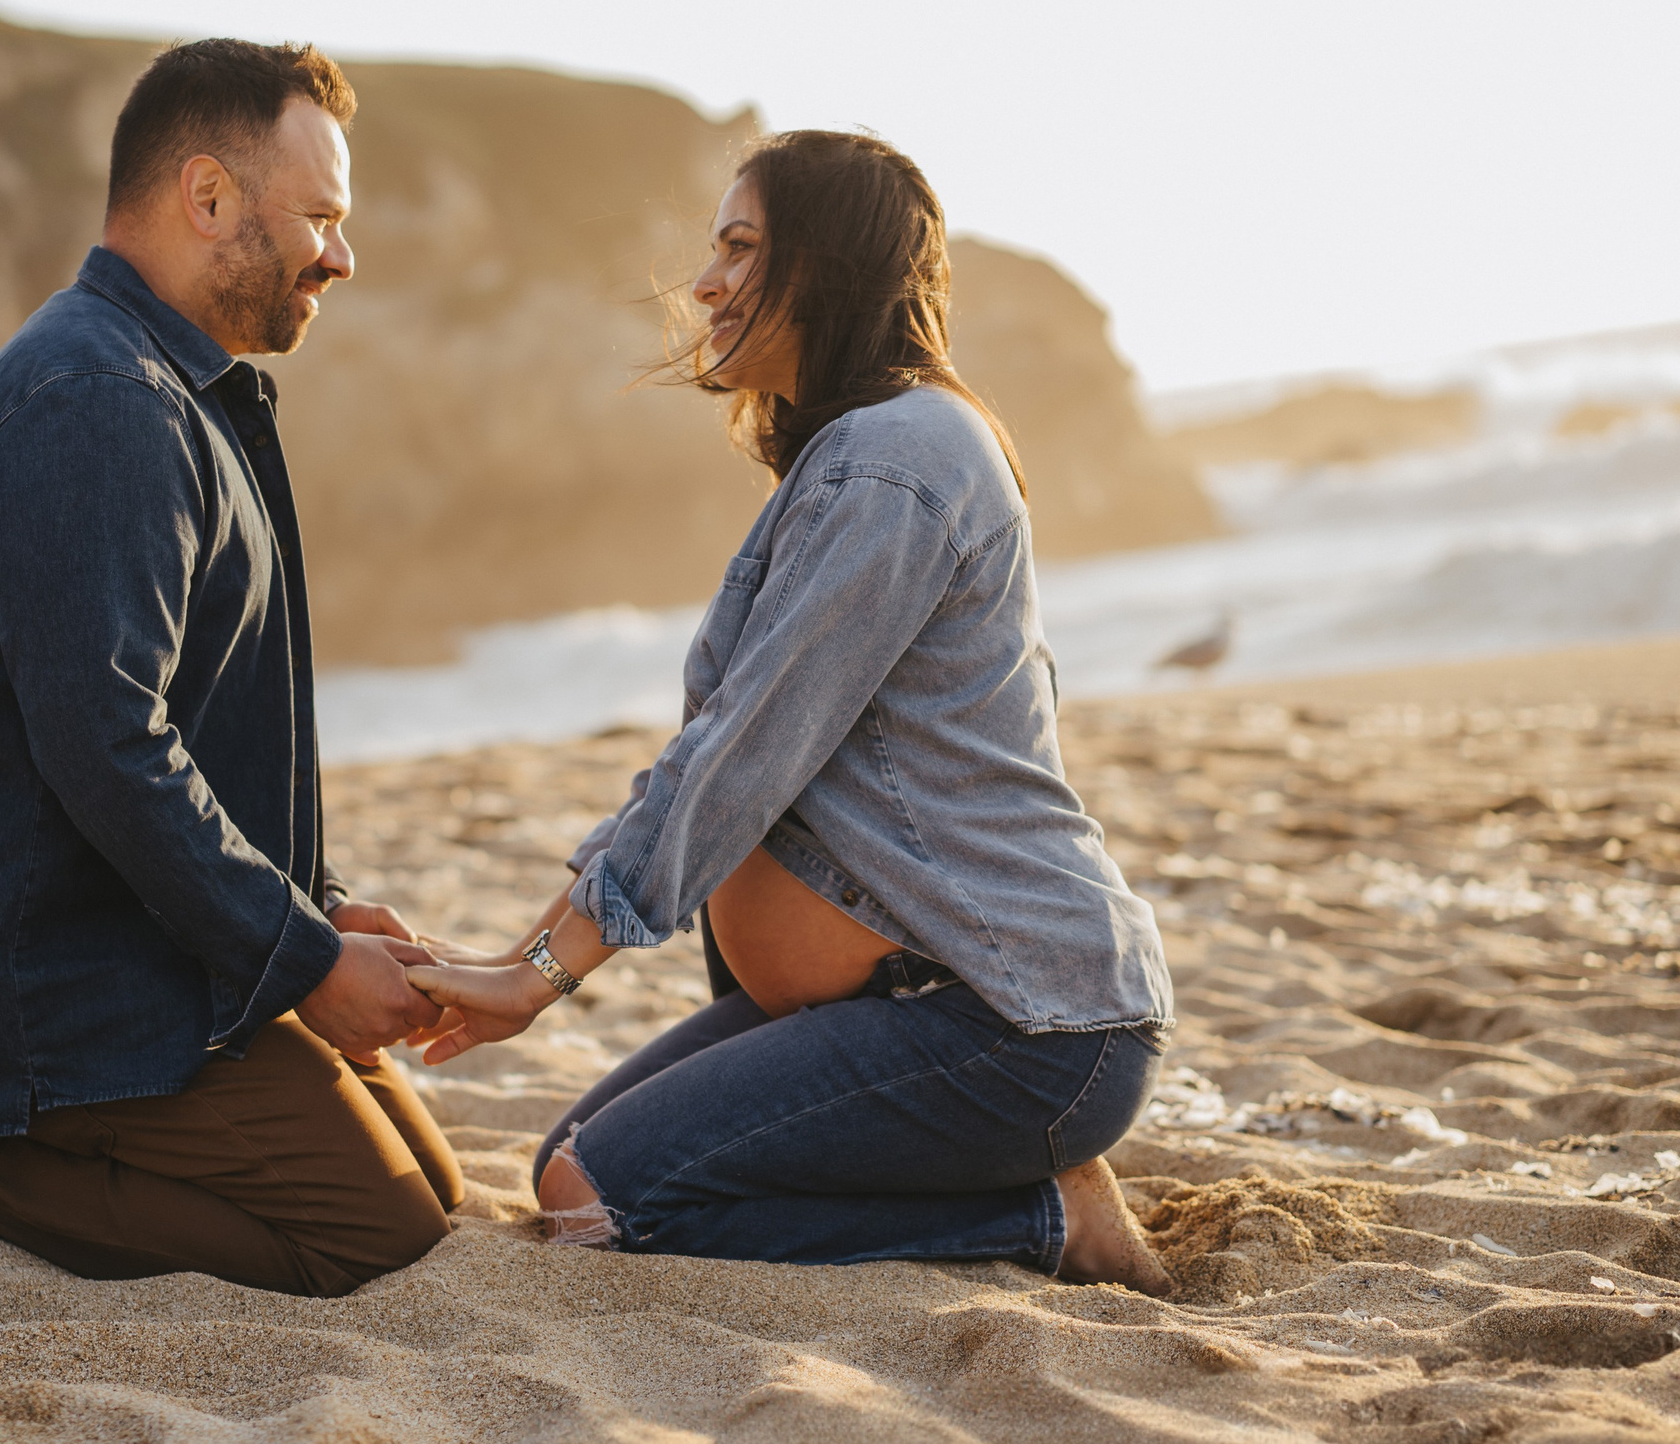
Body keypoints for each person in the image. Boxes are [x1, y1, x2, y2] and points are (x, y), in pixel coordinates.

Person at [406, 130, 1178, 1294]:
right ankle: (1015, 1187)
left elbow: (743, 749)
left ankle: (1035, 1217)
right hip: (926, 998)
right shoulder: (856, 458)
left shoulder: (890, 464)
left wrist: (545, 976)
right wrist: (521, 951)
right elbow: (715, 756)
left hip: (1014, 1025)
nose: (703, 282)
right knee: (567, 1161)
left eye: (738, 247)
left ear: (822, 266)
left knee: (600, 1201)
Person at [0, 40, 464, 1297]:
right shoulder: (95, 399)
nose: (341, 256)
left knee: (431, 1189)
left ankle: (28, 1146)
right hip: (53, 993)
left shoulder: (182, 390)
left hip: (139, 942)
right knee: (377, 1234)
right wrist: (302, 963)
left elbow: (204, 716)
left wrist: (314, 907)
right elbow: (106, 745)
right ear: (210, 198)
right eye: (320, 219)